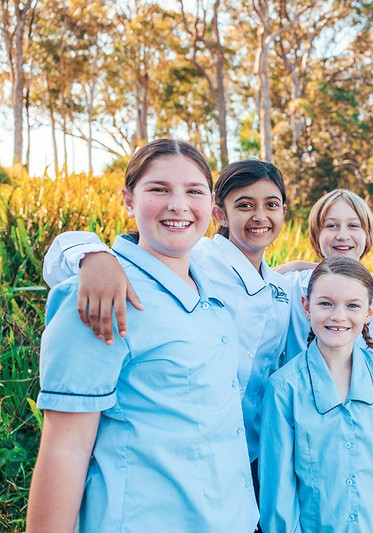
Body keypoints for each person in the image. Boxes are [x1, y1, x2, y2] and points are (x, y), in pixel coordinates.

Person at [26, 139, 258, 532]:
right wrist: (90, 255)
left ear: (211, 207)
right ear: (128, 200)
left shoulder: (211, 299)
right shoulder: (102, 296)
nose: (178, 205)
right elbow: (65, 449)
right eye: (159, 189)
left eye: (194, 191)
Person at [259, 256, 373, 532]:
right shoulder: (284, 389)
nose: (338, 316)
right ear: (306, 306)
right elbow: (278, 490)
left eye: (353, 305)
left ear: (370, 311)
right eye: (325, 303)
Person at [278, 189, 373, 433]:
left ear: (367, 235)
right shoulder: (291, 288)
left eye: (353, 225)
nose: (342, 235)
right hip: (299, 428)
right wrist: (297, 267)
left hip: (364, 433)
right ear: (316, 234)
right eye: (331, 226)